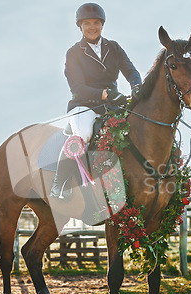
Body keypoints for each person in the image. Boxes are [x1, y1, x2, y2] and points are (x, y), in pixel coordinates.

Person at [50, 3, 142, 198]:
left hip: (112, 105)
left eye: (96, 23)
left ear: (102, 24)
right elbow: (77, 88)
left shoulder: (113, 47)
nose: (92, 27)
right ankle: (60, 182)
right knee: (83, 134)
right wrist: (105, 94)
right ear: (80, 26)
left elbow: (130, 70)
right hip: (84, 105)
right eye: (87, 23)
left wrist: (136, 85)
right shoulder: (73, 53)